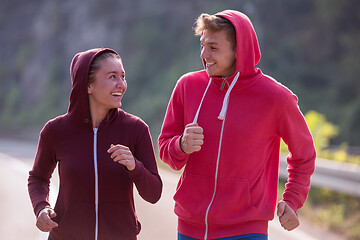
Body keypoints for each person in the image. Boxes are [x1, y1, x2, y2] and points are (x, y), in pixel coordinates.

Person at [158, 10, 316, 240]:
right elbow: (164, 148)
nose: (204, 54)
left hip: (246, 230)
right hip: (190, 227)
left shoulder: (276, 98)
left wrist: (292, 199)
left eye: (213, 48)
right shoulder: (187, 86)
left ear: (238, 50)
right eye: (202, 45)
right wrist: (180, 145)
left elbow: (304, 154)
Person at [28, 48, 162, 240]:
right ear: (88, 85)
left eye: (123, 76)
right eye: (112, 76)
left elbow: (154, 193)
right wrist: (41, 207)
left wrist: (134, 166)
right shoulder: (55, 131)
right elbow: (38, 178)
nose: (122, 84)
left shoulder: (135, 129)